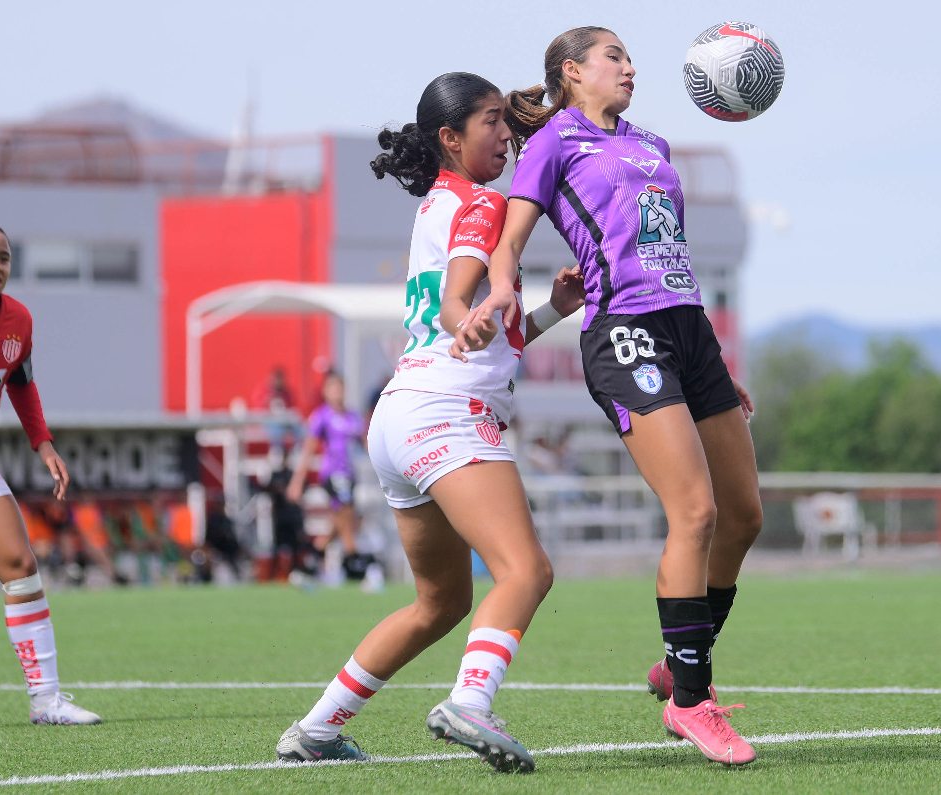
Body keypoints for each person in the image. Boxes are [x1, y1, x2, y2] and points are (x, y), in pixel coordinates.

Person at [460, 28, 764, 765]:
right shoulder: (554, 143)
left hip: (688, 332)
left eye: (630, 59)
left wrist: (715, 360)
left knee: (745, 516)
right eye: (614, 58)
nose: (631, 68)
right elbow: (508, 240)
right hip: (624, 334)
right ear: (572, 72)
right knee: (694, 511)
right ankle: (691, 701)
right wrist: (501, 286)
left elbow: (673, 256)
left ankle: (677, 661)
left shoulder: (653, 144)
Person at [275, 72, 584, 772]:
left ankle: (317, 728)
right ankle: (470, 702)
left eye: (506, 121)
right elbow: (456, 305)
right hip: (446, 412)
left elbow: (476, 328)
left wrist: (548, 311)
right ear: (450, 137)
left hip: (399, 416)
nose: (505, 133)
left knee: (440, 601)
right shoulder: (480, 202)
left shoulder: (436, 207)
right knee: (526, 570)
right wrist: (466, 318)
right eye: (490, 122)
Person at [0, 225, 101, 725]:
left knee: (19, 564)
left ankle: (46, 702)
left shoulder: (18, 319)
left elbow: (21, 382)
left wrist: (43, 445)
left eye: (4, 258)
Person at [287, 371, 364, 572]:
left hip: (350, 474)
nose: (337, 392)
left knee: (344, 519)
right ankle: (354, 560)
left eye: (340, 388)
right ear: (326, 392)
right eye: (333, 388)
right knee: (345, 512)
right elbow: (309, 449)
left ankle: (313, 556)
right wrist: (297, 481)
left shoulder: (352, 417)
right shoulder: (322, 416)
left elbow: (365, 444)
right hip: (333, 473)